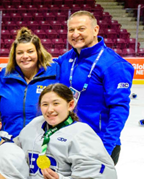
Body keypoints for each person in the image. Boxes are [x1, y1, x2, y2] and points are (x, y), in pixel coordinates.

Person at [52, 11, 133, 162]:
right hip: (67, 141)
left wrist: (105, 150)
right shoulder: (67, 58)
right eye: (71, 30)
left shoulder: (114, 65)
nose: (75, 34)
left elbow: (119, 110)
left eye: (81, 29)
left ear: (95, 30)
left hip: (98, 144)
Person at [0, 28, 58, 138]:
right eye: (20, 53)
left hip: (44, 143)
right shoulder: (4, 76)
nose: (25, 56)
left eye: (30, 51)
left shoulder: (54, 73)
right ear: (14, 55)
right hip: (10, 141)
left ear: (39, 52)